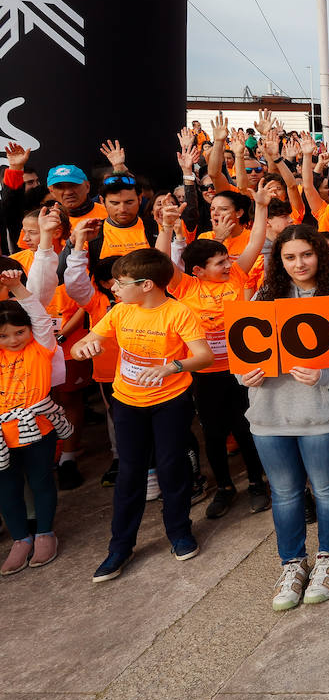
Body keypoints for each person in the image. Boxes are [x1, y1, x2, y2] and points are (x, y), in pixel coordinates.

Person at [73, 248, 214, 582]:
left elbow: (204, 356)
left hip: (170, 402)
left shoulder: (178, 313)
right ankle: (120, 547)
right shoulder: (121, 311)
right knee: (130, 474)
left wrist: (172, 367)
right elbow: (86, 343)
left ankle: (179, 532)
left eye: (121, 283)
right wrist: (84, 348)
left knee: (171, 469)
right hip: (127, 403)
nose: (114, 288)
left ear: (147, 284)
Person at [241, 226, 329, 610]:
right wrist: (246, 375)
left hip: (323, 414)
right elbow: (243, 360)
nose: (298, 264)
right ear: (279, 261)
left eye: (306, 254)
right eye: (289, 257)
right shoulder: (262, 298)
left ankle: (328, 557)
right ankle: (292, 563)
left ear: (320, 255)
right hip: (270, 414)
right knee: (286, 494)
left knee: (326, 490)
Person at [157, 189, 273, 518]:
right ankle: (223, 487)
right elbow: (162, 262)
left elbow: (256, 242)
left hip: (241, 368)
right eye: (219, 262)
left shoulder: (236, 274)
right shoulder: (184, 286)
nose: (228, 264)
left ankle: (255, 482)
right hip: (205, 374)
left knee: (245, 426)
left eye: (226, 259)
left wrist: (260, 207)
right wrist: (166, 228)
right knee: (213, 432)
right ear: (197, 270)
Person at [0, 270, 74, 575]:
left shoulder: (42, 347)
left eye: (20, 332)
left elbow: (39, 317)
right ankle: (20, 540)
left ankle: (45, 533)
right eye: (3, 335)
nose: (13, 339)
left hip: (38, 429)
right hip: (2, 437)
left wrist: (16, 287)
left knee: (42, 480)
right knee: (6, 490)